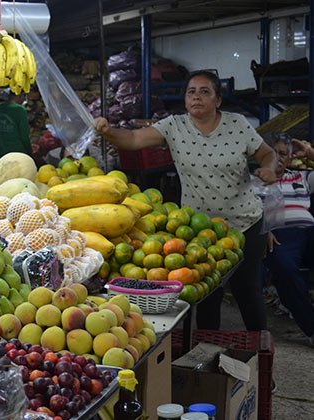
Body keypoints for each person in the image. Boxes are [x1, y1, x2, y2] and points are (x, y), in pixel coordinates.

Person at [94, 70, 278, 331]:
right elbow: (134, 139)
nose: (197, 97)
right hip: (199, 230)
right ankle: (205, 360)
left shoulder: (237, 124)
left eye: (205, 92)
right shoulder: (173, 126)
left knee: (247, 293)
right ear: (185, 99)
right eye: (191, 92)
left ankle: (262, 357)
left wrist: (269, 168)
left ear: (218, 100)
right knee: (206, 297)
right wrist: (108, 131)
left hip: (245, 223)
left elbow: (266, 153)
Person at [263, 133, 314, 343]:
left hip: (309, 231)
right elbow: (241, 211)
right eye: (272, 153)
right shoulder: (253, 180)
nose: (278, 158)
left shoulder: (301, 177)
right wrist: (263, 230)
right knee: (285, 270)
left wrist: (310, 153)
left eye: (283, 153)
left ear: (290, 157)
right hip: (277, 234)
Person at [0, 89, 32, 160]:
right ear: (19, 95)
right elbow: (24, 137)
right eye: (24, 96)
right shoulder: (20, 110)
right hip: (18, 155)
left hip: (0, 154)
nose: (24, 100)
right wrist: (29, 151)